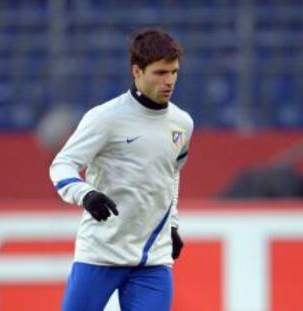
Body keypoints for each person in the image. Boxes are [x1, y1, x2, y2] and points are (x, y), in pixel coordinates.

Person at [49, 28, 194, 311]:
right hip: (100, 253)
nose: (170, 81)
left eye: (174, 72)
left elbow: (171, 175)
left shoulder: (182, 123)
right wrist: (86, 194)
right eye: (160, 73)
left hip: (152, 260)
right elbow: (62, 164)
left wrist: (173, 224)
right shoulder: (105, 118)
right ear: (137, 71)